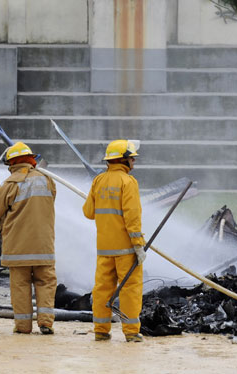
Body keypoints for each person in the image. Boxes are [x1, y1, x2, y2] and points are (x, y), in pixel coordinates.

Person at [0, 142, 57, 335]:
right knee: (46, 283)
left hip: (17, 249)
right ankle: (46, 323)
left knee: (20, 286)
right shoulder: (47, 180)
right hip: (44, 246)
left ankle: (23, 326)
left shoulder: (9, 185)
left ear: (11, 163)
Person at [83, 139, 147, 343]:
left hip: (104, 249)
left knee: (102, 289)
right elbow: (132, 217)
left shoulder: (98, 181)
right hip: (126, 249)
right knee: (130, 290)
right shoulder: (128, 182)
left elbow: (88, 212)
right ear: (124, 160)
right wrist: (138, 244)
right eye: (132, 159)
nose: (134, 163)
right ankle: (131, 332)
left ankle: (101, 330)